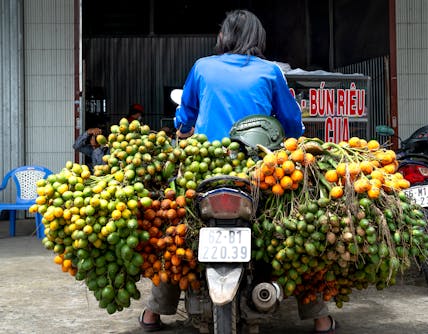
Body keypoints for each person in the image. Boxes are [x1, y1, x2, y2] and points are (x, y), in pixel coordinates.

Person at [139, 10, 336, 334]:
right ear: (258, 39)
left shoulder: (202, 67)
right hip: (259, 172)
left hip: (204, 172)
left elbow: (184, 117)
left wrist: (184, 129)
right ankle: (319, 316)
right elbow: (292, 124)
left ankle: (154, 312)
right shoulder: (271, 71)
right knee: (293, 232)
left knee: (177, 232)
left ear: (224, 36)